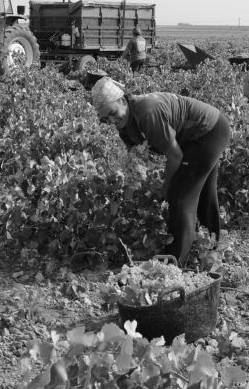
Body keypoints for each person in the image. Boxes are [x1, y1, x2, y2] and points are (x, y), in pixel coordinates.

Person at [91, 77, 231, 266]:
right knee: (202, 191)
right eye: (106, 119)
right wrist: (125, 196)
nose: (112, 120)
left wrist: (166, 186)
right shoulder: (125, 128)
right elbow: (137, 162)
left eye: (113, 113)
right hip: (194, 138)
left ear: (123, 100)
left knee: (180, 195)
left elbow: (175, 156)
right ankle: (210, 250)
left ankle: (175, 263)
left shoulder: (148, 112)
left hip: (209, 131)